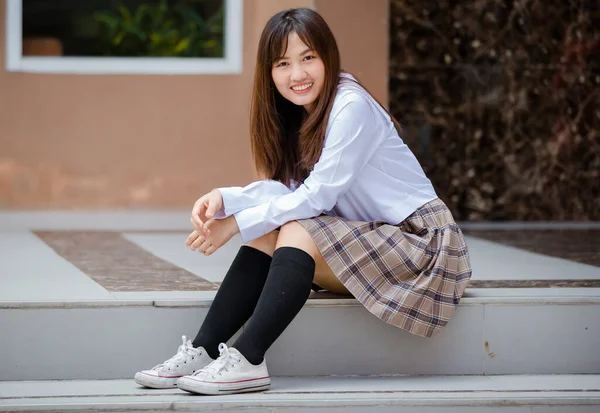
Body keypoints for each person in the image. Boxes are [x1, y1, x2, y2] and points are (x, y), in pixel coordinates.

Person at [134, 7, 472, 396]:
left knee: (294, 227)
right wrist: (226, 199)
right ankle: (203, 349)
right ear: (270, 72)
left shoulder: (351, 107)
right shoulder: (302, 114)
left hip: (424, 247)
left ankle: (248, 359)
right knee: (277, 228)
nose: (297, 74)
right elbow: (290, 191)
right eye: (283, 63)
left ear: (328, 55)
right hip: (377, 241)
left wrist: (238, 224)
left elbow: (316, 198)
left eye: (308, 57)